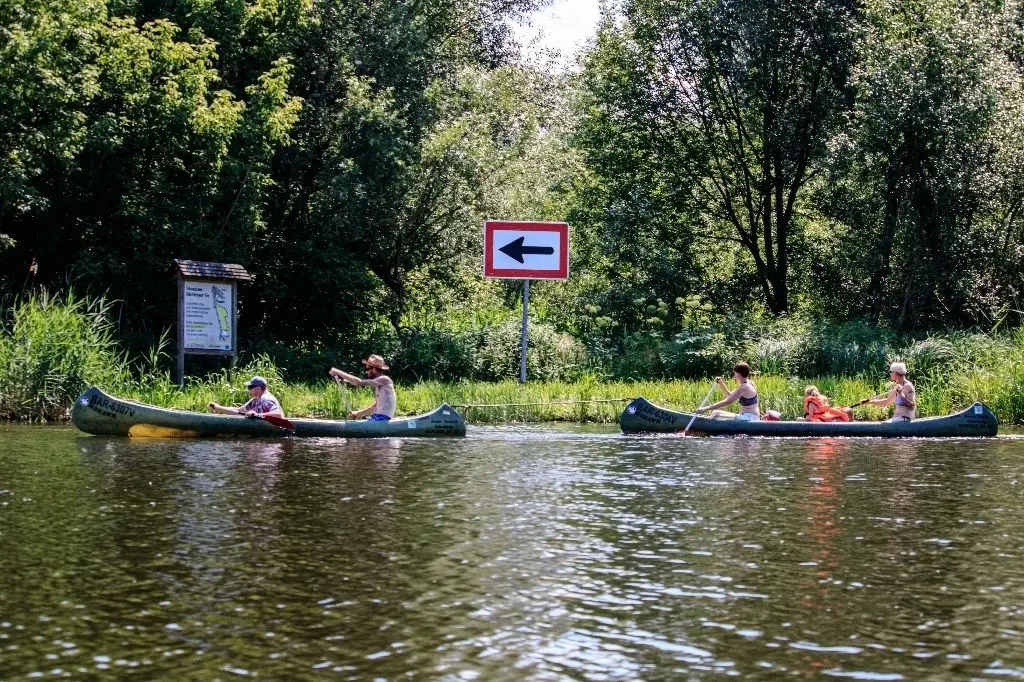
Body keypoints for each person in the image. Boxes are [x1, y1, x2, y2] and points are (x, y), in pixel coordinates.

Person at [329, 354, 396, 421]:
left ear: (374, 369)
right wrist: (358, 413)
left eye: (367, 368)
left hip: (382, 419)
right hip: (378, 418)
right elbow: (376, 407)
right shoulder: (379, 384)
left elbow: (358, 382)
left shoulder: (384, 379)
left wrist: (337, 371)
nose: (366, 371)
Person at [208, 376, 285, 418]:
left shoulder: (266, 399)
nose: (248, 390)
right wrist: (218, 407)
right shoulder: (255, 400)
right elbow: (238, 410)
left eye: (250, 387)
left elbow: (278, 414)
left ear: (258, 388)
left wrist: (257, 415)